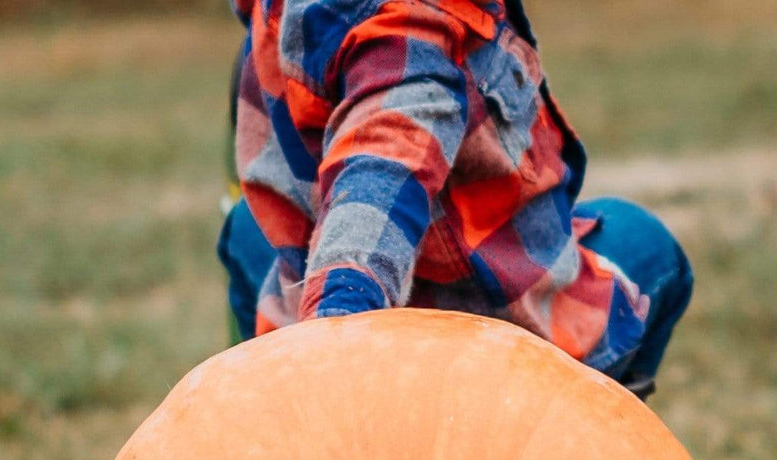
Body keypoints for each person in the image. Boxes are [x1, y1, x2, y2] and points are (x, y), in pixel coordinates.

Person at [217, 0, 692, 398]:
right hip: (477, 372)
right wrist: (333, 349)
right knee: (648, 245)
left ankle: (262, 406)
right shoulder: (409, 31)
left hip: (308, 321)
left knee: (247, 230)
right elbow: (379, 179)